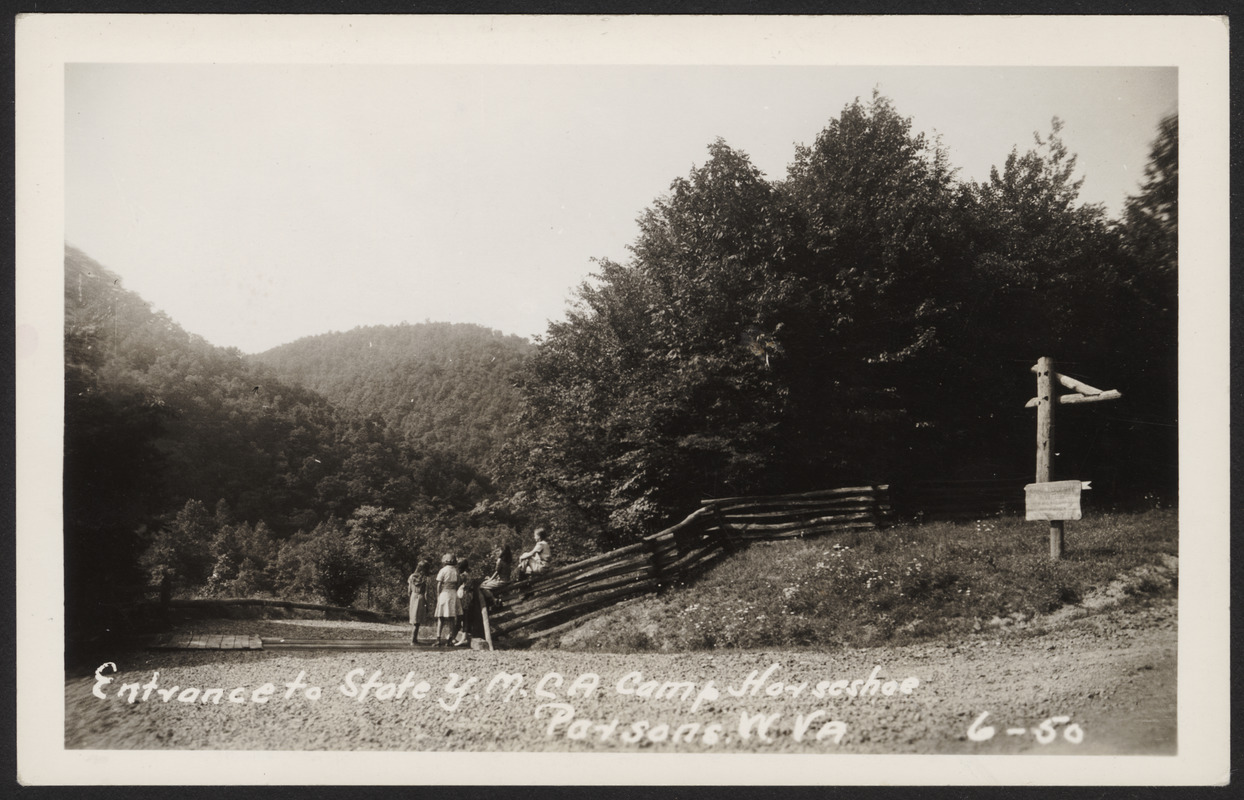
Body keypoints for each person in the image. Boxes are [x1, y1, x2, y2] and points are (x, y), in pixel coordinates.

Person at [433, 553, 461, 647]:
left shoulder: (443, 570)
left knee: (441, 617)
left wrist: (438, 595)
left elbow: (439, 584)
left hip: (444, 593)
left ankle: (438, 638)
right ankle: (450, 638)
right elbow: (458, 583)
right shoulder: (456, 571)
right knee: (451, 618)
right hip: (453, 593)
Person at [453, 559, 477, 647]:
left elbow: (457, 585)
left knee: (464, 617)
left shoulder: (463, 575)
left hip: (464, 596)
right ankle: (462, 636)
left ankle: (463, 638)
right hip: (470, 595)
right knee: (466, 617)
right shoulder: (471, 574)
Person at [407, 559, 430, 645]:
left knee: (414, 619)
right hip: (421, 596)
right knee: (417, 620)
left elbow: (409, 591)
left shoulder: (412, 576)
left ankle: (413, 638)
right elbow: (426, 593)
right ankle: (413, 640)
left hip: (413, 596)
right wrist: (427, 604)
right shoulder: (426, 578)